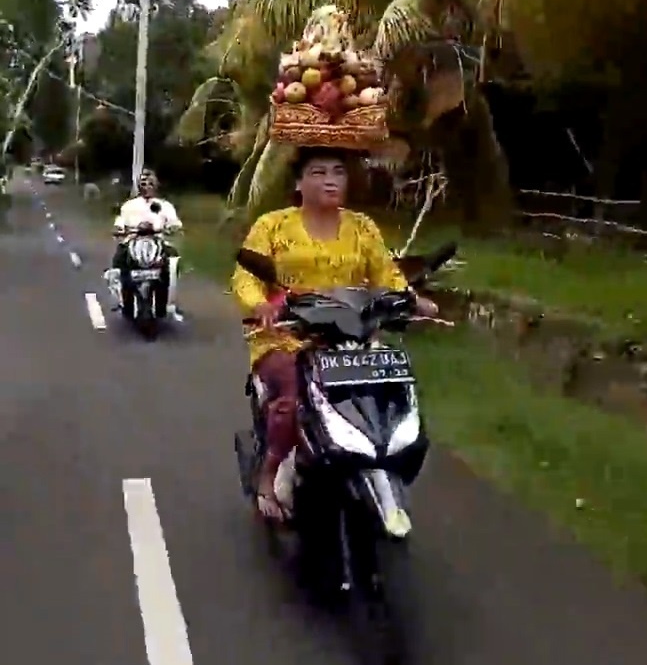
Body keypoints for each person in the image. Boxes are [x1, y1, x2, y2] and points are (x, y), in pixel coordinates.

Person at [232, 146, 438, 520]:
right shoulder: (272, 226)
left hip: (351, 338)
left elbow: (387, 275)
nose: (330, 180)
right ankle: (270, 473)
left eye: (338, 172)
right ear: (298, 182)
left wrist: (412, 300)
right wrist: (260, 305)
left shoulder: (362, 227)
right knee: (297, 397)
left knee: (390, 393)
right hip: (287, 337)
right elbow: (246, 277)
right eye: (318, 172)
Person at [105, 170, 183, 311]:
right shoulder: (129, 205)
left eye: (150, 184)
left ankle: (169, 300)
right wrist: (118, 229)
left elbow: (174, 223)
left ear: (156, 186)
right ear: (139, 186)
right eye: (143, 184)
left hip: (158, 242)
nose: (147, 187)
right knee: (118, 262)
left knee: (173, 262)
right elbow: (120, 222)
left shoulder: (165, 206)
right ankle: (121, 297)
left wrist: (173, 228)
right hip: (132, 241)